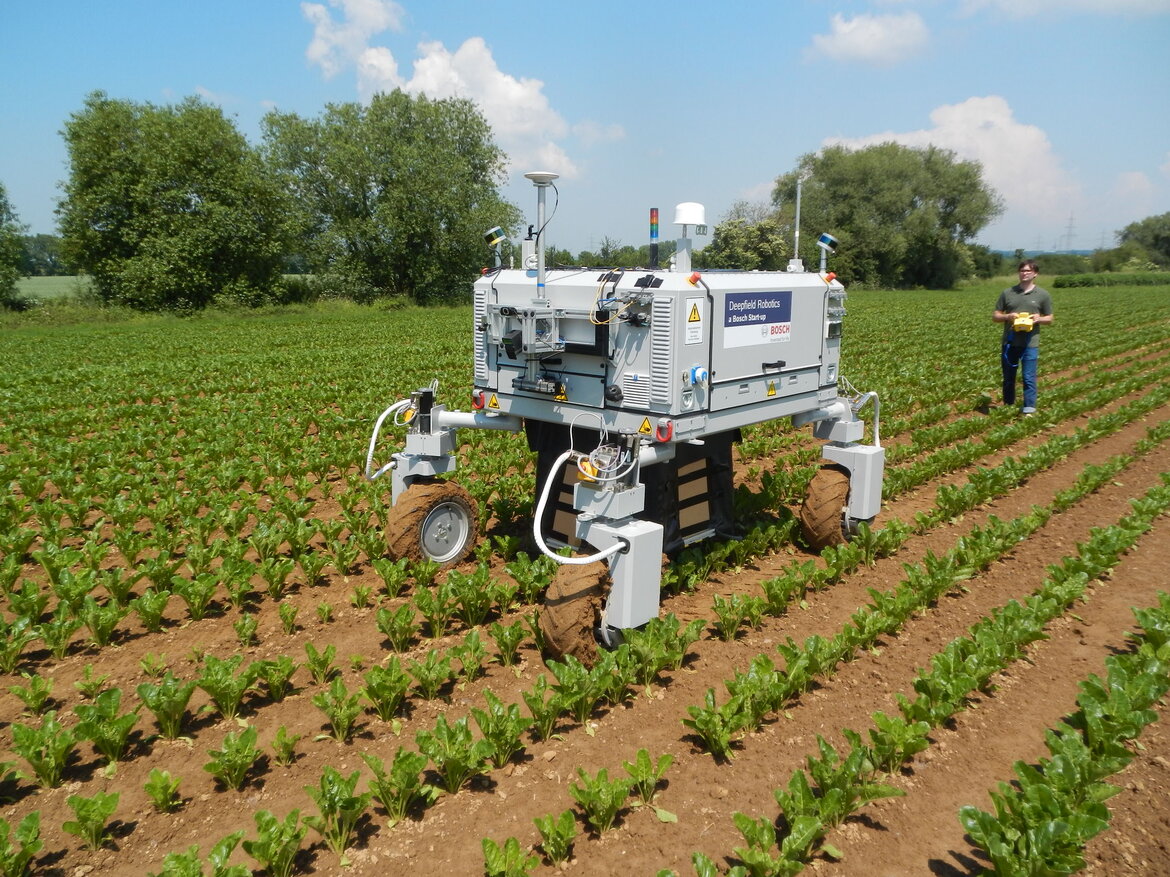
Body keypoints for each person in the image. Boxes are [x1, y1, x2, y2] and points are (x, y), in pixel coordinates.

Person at [993, 259, 1054, 415]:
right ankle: (1008, 406)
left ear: (1035, 274)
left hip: (1030, 343)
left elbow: (1050, 318)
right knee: (1008, 377)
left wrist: (1038, 319)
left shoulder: (1043, 295)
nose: (1024, 273)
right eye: (1022, 270)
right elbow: (996, 315)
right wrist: (1008, 317)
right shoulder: (1008, 293)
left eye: (1028, 271)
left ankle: (1029, 409)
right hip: (1010, 341)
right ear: (1018, 273)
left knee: (1028, 377)